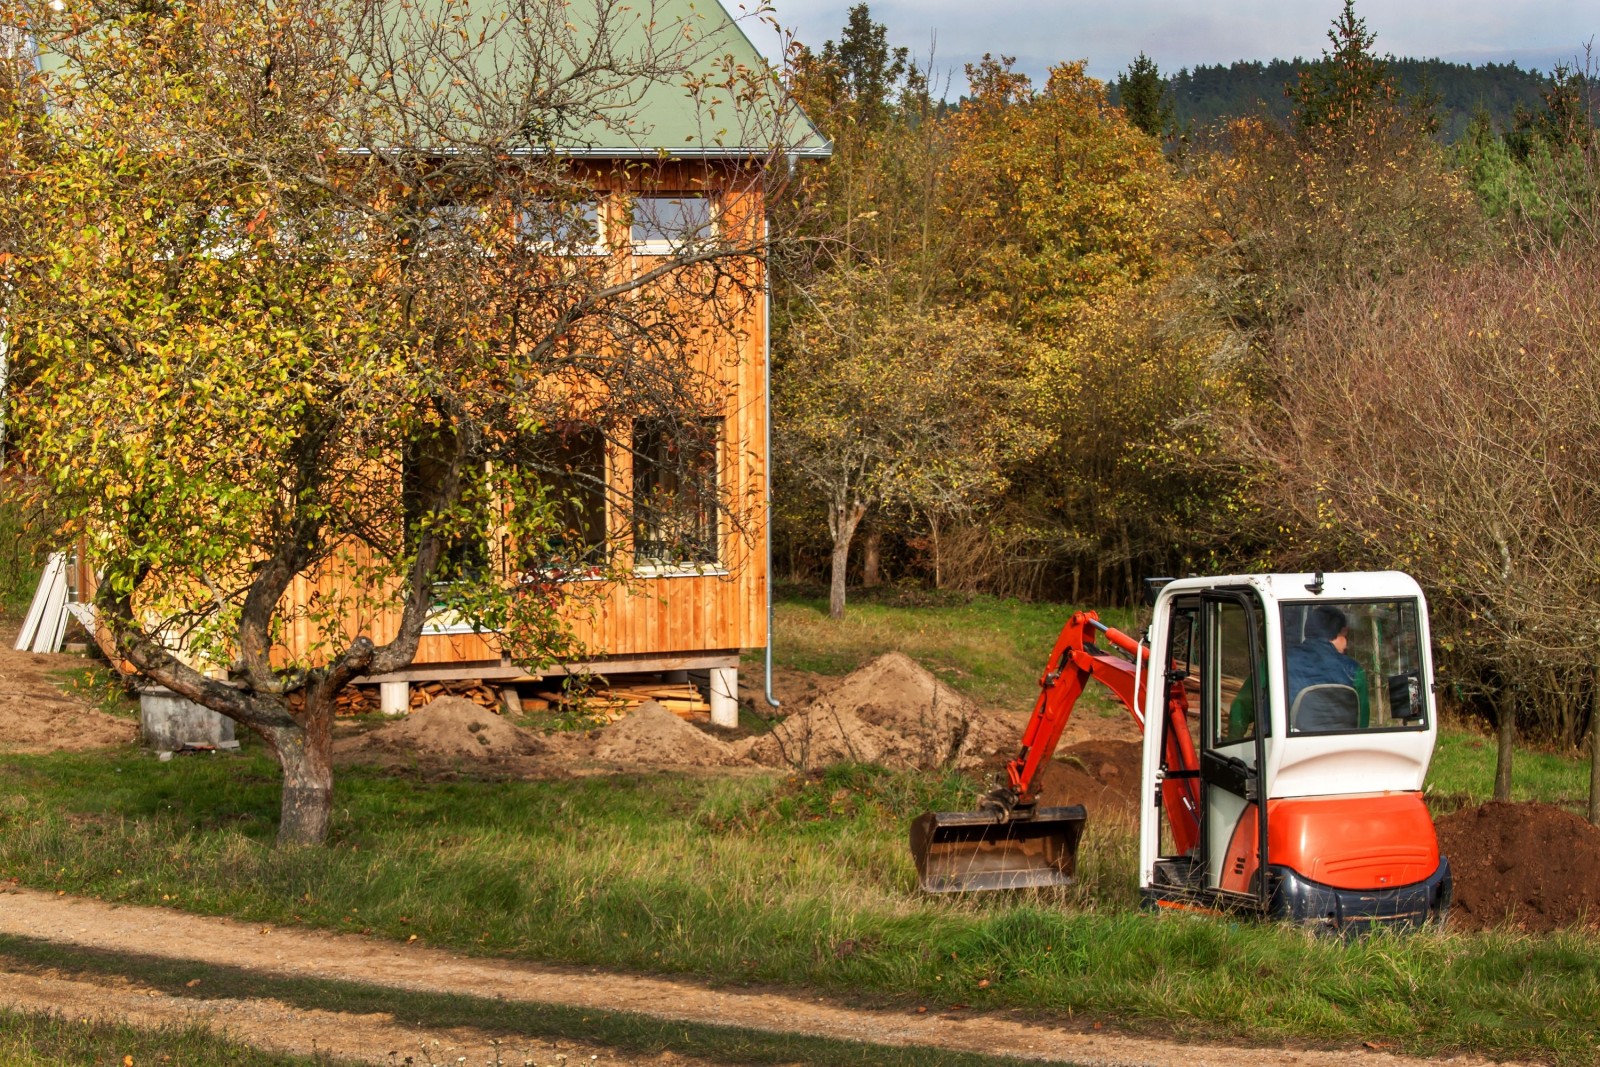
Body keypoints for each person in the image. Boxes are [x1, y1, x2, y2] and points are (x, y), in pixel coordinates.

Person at [1285, 605, 1368, 731]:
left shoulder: (1278, 660)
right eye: (1345, 637)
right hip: (1339, 748)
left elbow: (1246, 702)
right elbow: (1361, 723)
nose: (1346, 645)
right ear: (1341, 633)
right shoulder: (1354, 670)